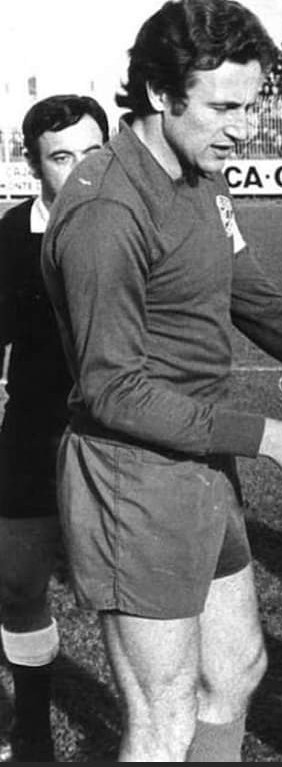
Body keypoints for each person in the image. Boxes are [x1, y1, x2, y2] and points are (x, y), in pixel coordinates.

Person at [39, 0, 282, 762]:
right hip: (133, 481)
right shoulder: (108, 209)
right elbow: (111, 389)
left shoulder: (201, 175)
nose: (243, 129)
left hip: (199, 467)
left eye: (250, 107)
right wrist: (269, 435)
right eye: (224, 108)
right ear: (160, 93)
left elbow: (256, 300)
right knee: (162, 717)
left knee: (237, 669)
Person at [0, 94, 108, 762]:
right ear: (34, 164)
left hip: (125, 433)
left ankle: (156, 720)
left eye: (93, 153)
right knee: (17, 582)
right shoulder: (9, 238)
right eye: (62, 157)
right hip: (36, 429)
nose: (82, 170)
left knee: (129, 592)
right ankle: (34, 730)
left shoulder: (136, 224)